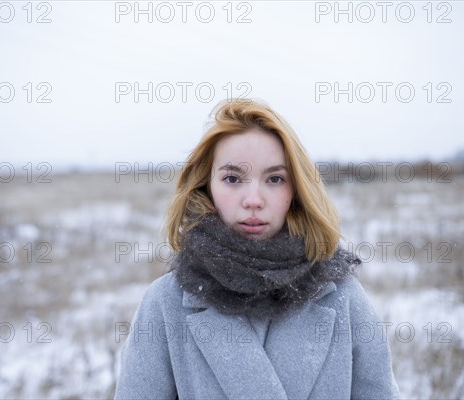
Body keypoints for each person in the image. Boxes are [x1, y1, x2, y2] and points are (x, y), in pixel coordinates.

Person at [114, 99, 399, 400]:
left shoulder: (344, 299)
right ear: (206, 186)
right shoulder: (165, 304)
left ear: (297, 190)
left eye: (275, 179)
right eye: (233, 178)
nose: (253, 199)